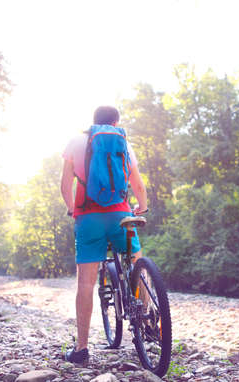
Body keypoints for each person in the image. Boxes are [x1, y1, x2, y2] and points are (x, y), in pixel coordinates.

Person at [60, 105, 148, 363]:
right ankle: (150, 319)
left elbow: (65, 184)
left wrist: (70, 209)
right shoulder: (123, 143)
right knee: (137, 263)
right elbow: (138, 185)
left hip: (87, 218)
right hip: (121, 215)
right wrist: (142, 207)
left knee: (85, 284)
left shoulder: (76, 141)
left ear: (94, 121)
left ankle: (81, 348)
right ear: (116, 121)